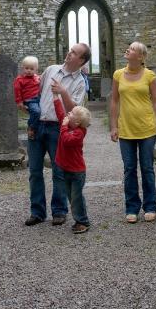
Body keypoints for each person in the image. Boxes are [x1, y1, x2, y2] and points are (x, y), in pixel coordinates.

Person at [24, 43, 90, 227]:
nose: (69, 54)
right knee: (35, 171)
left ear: (82, 60)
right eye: (70, 50)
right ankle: (37, 212)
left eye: (74, 53)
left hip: (57, 128)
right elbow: (35, 92)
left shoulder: (79, 83)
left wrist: (63, 92)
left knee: (59, 171)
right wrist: (24, 104)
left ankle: (59, 211)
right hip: (37, 125)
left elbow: (75, 112)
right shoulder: (51, 70)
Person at [109, 41, 156, 223]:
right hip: (126, 130)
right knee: (129, 169)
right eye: (129, 47)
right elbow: (114, 102)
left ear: (141, 57)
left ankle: (150, 207)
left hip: (147, 129)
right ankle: (132, 208)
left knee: (147, 168)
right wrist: (113, 126)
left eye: (132, 49)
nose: (128, 49)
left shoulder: (149, 75)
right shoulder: (118, 75)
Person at [52, 90, 91, 234]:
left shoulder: (79, 133)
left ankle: (83, 222)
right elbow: (60, 112)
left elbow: (66, 140)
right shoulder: (69, 125)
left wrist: (63, 126)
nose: (68, 114)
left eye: (72, 113)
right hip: (66, 169)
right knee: (71, 196)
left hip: (77, 172)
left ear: (77, 122)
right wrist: (56, 97)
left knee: (76, 197)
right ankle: (78, 220)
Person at [13, 55, 41, 139]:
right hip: (29, 100)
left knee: (42, 113)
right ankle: (31, 127)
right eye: (27, 68)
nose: (29, 70)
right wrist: (19, 102)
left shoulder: (37, 78)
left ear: (36, 69)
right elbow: (17, 91)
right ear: (23, 68)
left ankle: (38, 129)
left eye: (31, 69)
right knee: (36, 112)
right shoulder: (20, 79)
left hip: (39, 98)